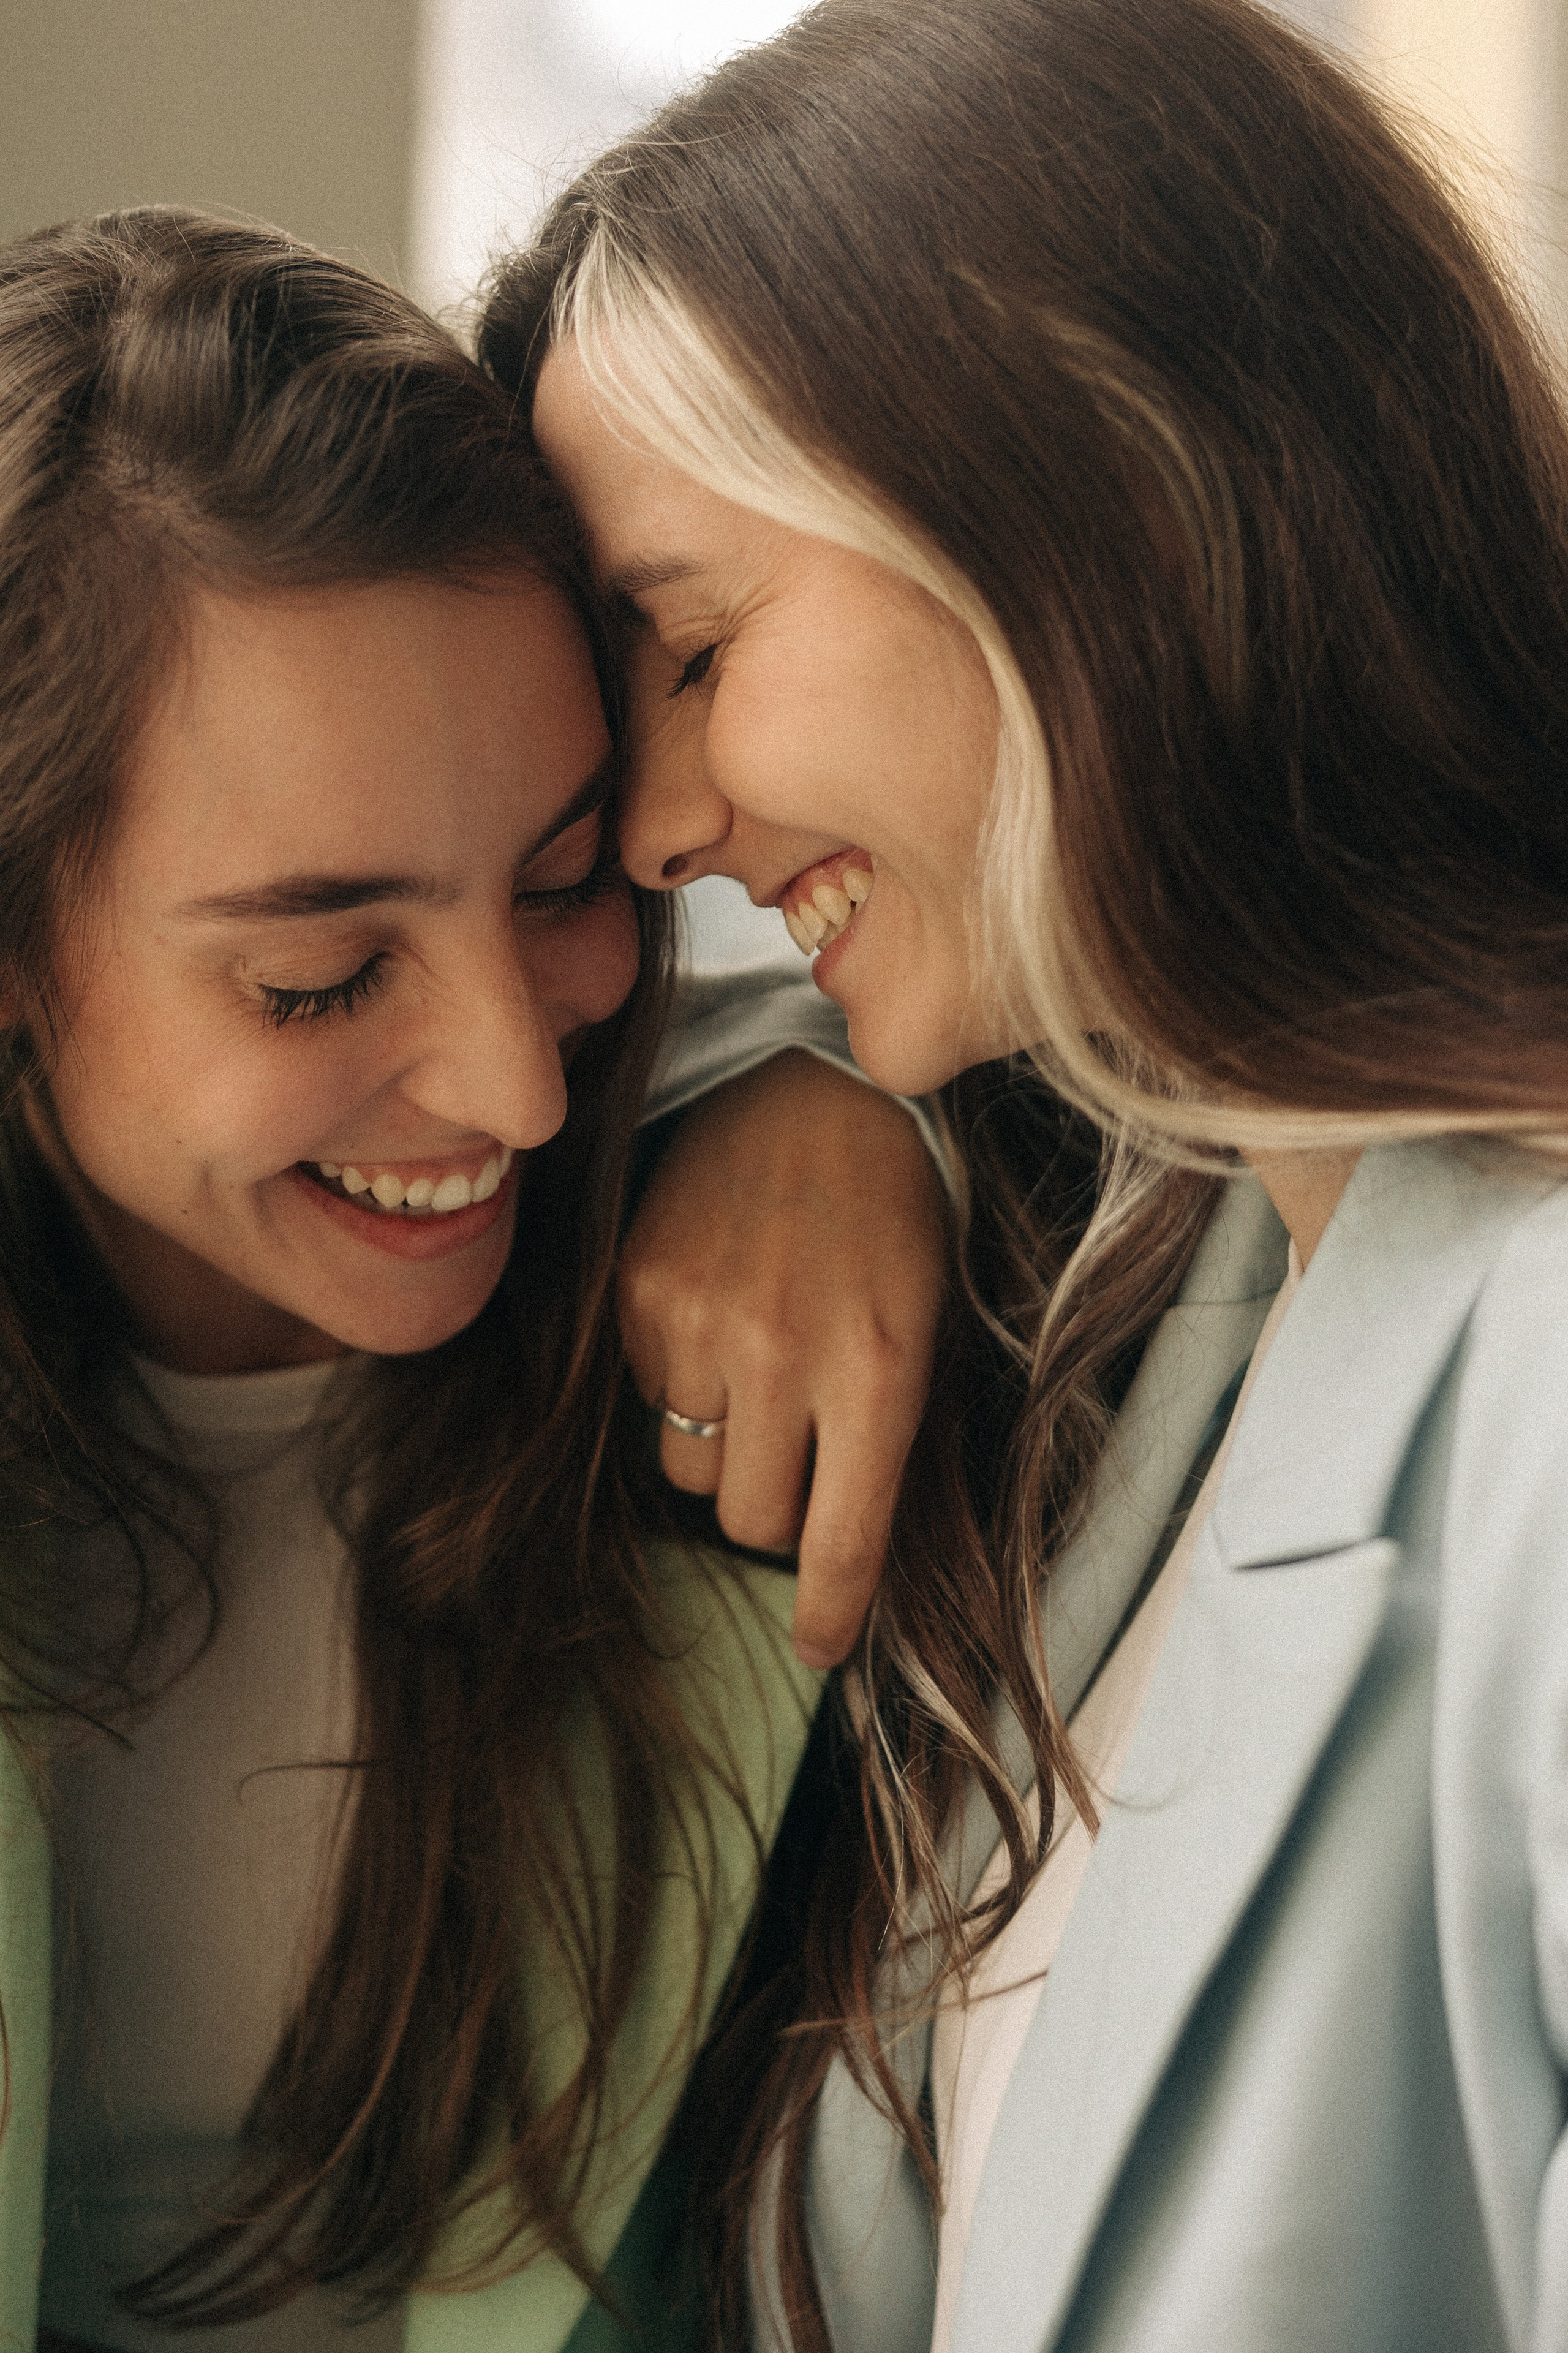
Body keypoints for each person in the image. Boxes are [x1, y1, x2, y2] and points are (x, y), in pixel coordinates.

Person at [499, 0, 1568, 2344]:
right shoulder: (1151, 1326)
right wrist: (803, 1092)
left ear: (1094, 477)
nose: (664, 824)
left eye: (691, 643)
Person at [0, 207, 952, 2353]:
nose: (523, 1086)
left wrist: (835, 1100)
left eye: (559, 879)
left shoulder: (740, 1334)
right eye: (323, 973)